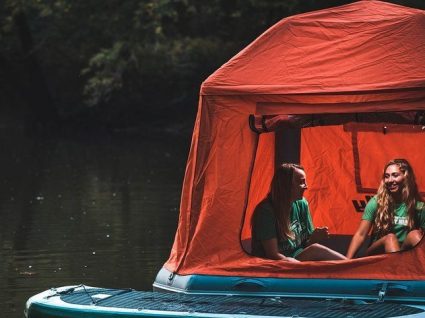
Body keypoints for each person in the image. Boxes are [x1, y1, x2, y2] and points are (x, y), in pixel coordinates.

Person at [251, 163, 347, 262]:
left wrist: (314, 238)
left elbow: (306, 245)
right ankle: (353, 267)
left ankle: (352, 267)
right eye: (301, 182)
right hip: (276, 265)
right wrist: (297, 266)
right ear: (286, 185)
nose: (306, 186)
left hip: (298, 260)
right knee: (316, 251)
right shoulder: (266, 211)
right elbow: (273, 255)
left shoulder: (302, 204)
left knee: (318, 252)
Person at [346, 159, 425, 259]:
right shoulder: (376, 202)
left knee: (415, 235)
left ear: (406, 177)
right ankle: (397, 270)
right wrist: (346, 262)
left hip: (404, 254)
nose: (390, 180)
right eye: (387, 176)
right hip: (377, 255)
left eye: (395, 175)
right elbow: (361, 235)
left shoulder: (419, 207)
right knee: (390, 238)